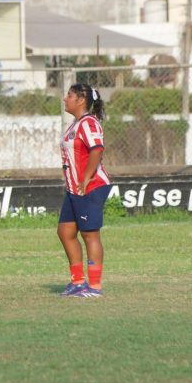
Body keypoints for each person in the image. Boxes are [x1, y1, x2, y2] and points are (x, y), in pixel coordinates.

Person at [57, 84, 112, 298]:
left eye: (69, 95)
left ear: (81, 100)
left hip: (91, 186)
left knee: (90, 234)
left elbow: (96, 149)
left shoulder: (88, 122)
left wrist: (87, 176)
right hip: (74, 189)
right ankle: (78, 282)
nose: (65, 99)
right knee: (65, 232)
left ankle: (95, 286)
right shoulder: (75, 124)